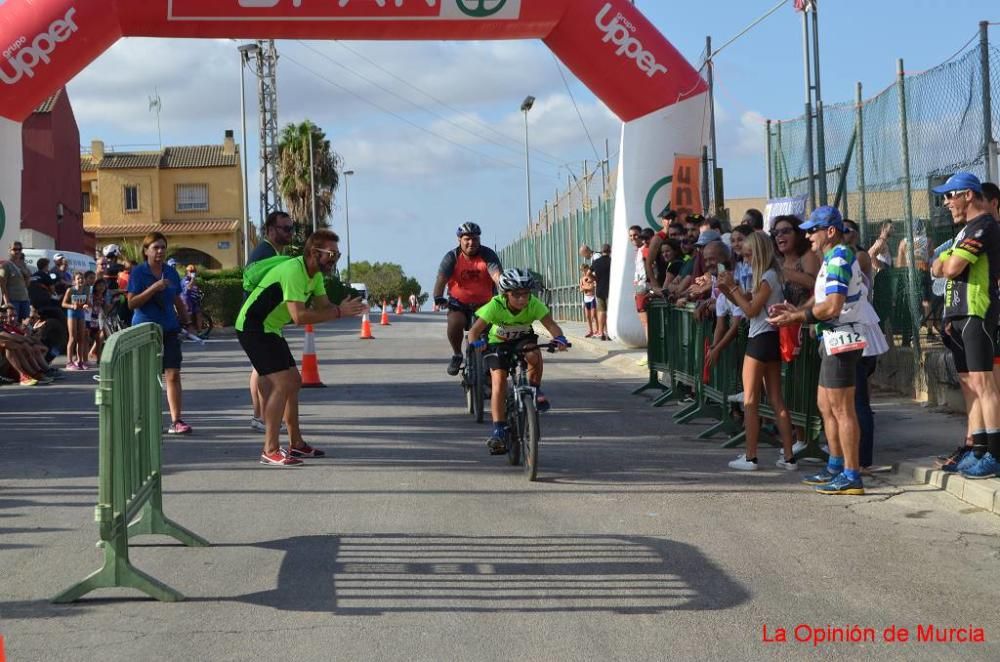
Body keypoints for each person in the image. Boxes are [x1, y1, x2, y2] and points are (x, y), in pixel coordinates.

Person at [769, 206, 886, 495]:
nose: (807, 235)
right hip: (834, 337)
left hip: (842, 337)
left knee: (842, 409)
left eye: (813, 230)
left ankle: (851, 474)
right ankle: (836, 466)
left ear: (830, 231)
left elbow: (833, 306)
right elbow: (821, 299)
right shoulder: (833, 257)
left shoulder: (838, 257)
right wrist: (798, 309)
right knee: (826, 405)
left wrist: (797, 317)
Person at [236, 230, 366, 466]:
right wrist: (338, 313)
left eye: (337, 254)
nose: (334, 259)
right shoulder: (294, 271)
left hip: (271, 328)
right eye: (332, 254)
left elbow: (323, 306)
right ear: (314, 253)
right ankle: (270, 449)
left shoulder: (314, 274)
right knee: (283, 383)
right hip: (252, 327)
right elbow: (299, 317)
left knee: (293, 382)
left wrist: (342, 308)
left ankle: (296, 444)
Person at [929, 172, 1000, 479]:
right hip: (957, 314)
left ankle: (995, 455)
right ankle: (980, 449)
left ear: (968, 195)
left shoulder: (984, 224)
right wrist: (944, 262)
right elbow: (935, 267)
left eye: (950, 195)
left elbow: (952, 266)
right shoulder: (963, 231)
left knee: (985, 385)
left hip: (977, 311)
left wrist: (945, 262)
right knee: (972, 385)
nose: (946, 203)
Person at [467, 268, 568, 454]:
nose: (522, 299)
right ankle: (499, 429)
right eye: (516, 295)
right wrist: (477, 343)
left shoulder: (534, 304)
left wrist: (559, 338)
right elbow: (473, 332)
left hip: (523, 340)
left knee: (534, 354)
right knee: (498, 383)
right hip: (498, 343)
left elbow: (552, 326)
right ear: (505, 294)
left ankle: (535, 389)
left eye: (526, 294)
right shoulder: (495, 305)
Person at [718, 232, 797, 471]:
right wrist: (726, 289)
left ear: (760, 253)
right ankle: (788, 455)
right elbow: (746, 303)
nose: (747, 258)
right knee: (775, 398)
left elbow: (750, 310)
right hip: (769, 339)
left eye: (750, 254)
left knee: (751, 400)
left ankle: (751, 456)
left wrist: (731, 289)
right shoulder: (767, 276)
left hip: (760, 339)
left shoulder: (768, 277)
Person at [127, 232, 194, 435]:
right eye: (155, 247)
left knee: (173, 374)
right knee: (148, 376)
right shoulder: (138, 273)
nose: (160, 251)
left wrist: (187, 322)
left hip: (169, 328)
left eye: (163, 247)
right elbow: (131, 303)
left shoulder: (171, 272)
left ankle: (176, 420)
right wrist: (153, 288)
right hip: (145, 329)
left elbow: (177, 300)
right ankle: (146, 419)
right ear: (146, 251)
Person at [843, 219, 890, 472]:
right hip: (848, 328)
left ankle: (862, 460)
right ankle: (848, 454)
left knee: (859, 398)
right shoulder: (839, 256)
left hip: (860, 328)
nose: (843, 234)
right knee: (848, 398)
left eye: (847, 230)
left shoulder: (857, 256)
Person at [432, 222, 503, 376]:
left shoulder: (488, 254)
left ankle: (487, 365)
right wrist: (438, 297)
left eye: (475, 239)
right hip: (459, 304)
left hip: (485, 304)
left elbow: (497, 276)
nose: (471, 243)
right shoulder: (452, 257)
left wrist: (505, 292)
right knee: (455, 322)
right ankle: (457, 354)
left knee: (489, 334)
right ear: (459, 239)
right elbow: (441, 280)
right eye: (467, 239)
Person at [247, 211, 296, 432]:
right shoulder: (264, 253)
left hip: (266, 321)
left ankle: (261, 416)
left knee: (261, 369)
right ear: (270, 230)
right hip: (259, 321)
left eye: (291, 228)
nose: (290, 233)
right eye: (285, 228)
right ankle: (262, 417)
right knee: (265, 370)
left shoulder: (272, 251)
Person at [772, 214, 820, 306]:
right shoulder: (778, 260)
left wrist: (780, 270)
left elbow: (812, 283)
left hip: (807, 316)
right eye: (776, 233)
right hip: (785, 317)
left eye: (785, 231)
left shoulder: (807, 255)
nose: (780, 235)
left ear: (798, 234)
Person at [61, 272, 91, 370]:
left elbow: (87, 303)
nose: (80, 280)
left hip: (81, 314)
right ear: (74, 281)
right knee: (72, 337)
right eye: (78, 279)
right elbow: (63, 304)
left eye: (82, 278)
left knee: (81, 338)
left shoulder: (86, 290)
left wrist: (86, 305)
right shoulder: (70, 290)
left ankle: (80, 361)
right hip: (72, 314)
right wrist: (72, 306)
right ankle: (69, 362)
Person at [1, 242, 33, 322]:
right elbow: (3, 286)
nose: (17, 251)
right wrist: (7, 304)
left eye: (19, 249)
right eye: (15, 249)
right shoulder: (6, 265)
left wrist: (27, 275)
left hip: (25, 300)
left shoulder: (23, 265)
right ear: (10, 250)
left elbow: (27, 284)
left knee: (25, 325)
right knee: (12, 324)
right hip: (13, 301)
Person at [590, 243, 612, 340]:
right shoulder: (612, 261)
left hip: (599, 289)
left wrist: (595, 278)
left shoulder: (596, 262)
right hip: (611, 289)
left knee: (601, 311)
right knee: (610, 312)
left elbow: (588, 273)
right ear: (610, 251)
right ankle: (609, 333)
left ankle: (601, 332)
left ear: (601, 251)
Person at [579, 264, 598, 337]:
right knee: (587, 316)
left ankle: (596, 330)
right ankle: (591, 331)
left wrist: (585, 287)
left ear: (588, 269)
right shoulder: (582, 279)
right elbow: (581, 289)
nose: (584, 272)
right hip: (586, 298)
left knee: (594, 315)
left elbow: (592, 287)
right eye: (583, 271)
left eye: (585, 270)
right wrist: (587, 287)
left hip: (593, 297)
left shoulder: (592, 277)